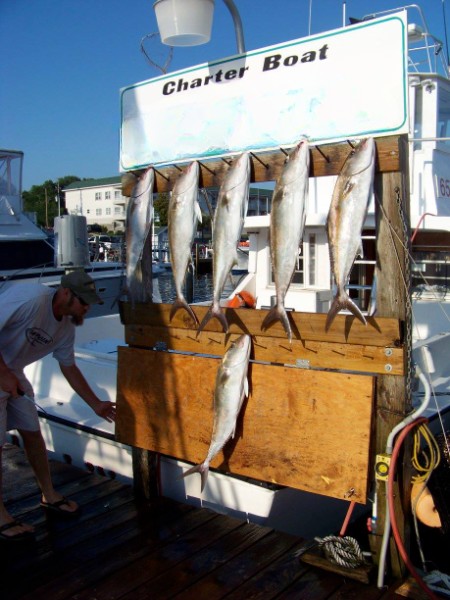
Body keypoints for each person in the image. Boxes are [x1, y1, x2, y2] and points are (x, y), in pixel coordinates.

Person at [0, 271, 116, 542]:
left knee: (32, 431)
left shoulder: (65, 327)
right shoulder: (31, 299)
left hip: (12, 371)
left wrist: (96, 404)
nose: (86, 308)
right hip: (3, 369)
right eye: (83, 301)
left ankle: (49, 494)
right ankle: (1, 516)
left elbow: (69, 367)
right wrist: (3, 373)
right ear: (65, 293)